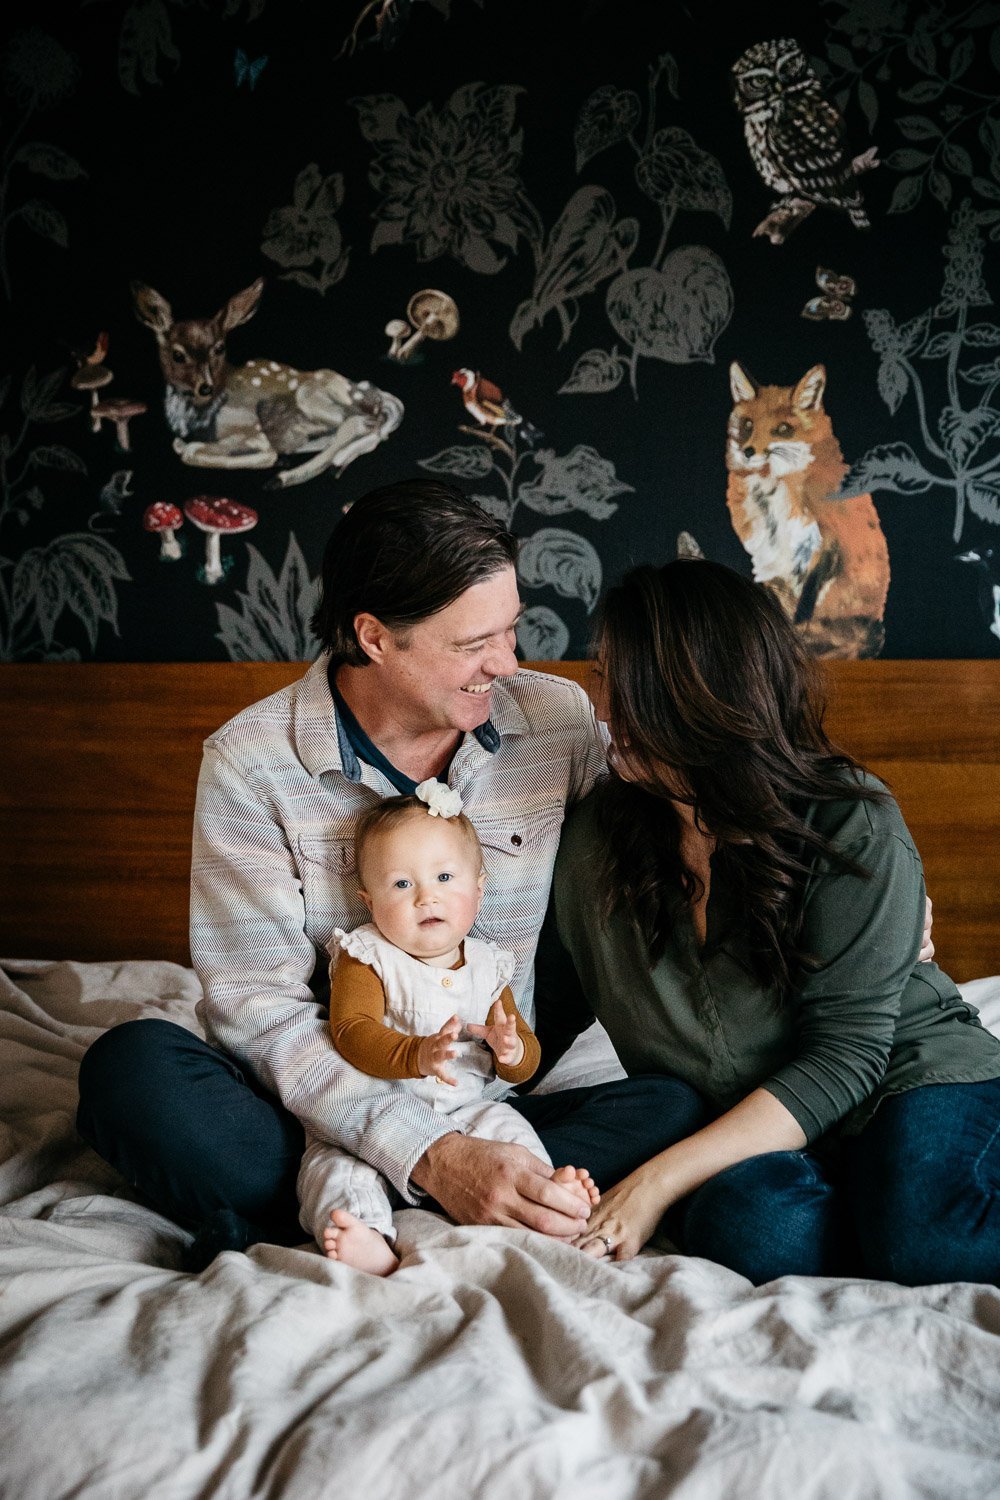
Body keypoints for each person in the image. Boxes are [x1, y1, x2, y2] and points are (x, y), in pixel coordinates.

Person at [76, 479, 700, 1270]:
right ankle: (424, 1190)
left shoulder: (556, 723)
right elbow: (256, 1010)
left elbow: (684, 809)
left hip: (495, 1099)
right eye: (474, 645)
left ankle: (354, 1208)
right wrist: (432, 1154)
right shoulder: (251, 765)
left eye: (512, 631)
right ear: (374, 636)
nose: (507, 664)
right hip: (312, 1110)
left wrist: (831, 861)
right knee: (130, 1075)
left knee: (675, 1101)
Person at [539, 558, 1000, 1286]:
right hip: (757, 1134)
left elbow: (847, 1058)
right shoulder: (596, 841)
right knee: (747, 1226)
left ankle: (904, 1214)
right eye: (604, 679)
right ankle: (882, 1213)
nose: (604, 709)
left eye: (626, 685)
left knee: (924, 1243)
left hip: (905, 1078)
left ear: (698, 693)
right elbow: (542, 1019)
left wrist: (655, 1181)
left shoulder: (850, 821)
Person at [300, 783, 598, 1275]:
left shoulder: (487, 965)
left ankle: (546, 1197)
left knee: (510, 1133)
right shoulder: (367, 955)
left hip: (470, 1111)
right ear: (367, 900)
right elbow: (350, 1031)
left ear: (479, 888)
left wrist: (510, 1049)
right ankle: (367, 1234)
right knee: (335, 1169)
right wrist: (414, 1055)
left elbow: (526, 1062)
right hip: (372, 1114)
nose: (426, 897)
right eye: (401, 885)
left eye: (443, 877)